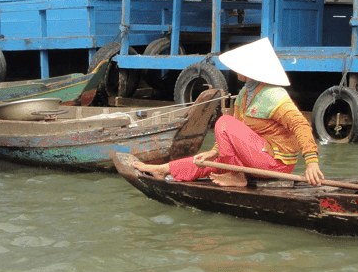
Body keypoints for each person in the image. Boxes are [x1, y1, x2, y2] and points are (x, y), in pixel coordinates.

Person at [133, 37, 325, 188]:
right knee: (210, 159)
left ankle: (236, 175)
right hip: (257, 156)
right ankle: (163, 170)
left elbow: (301, 125)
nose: (234, 70)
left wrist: (312, 162)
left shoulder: (274, 95)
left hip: (276, 163)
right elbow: (234, 135)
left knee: (224, 122)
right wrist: (214, 150)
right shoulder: (244, 95)